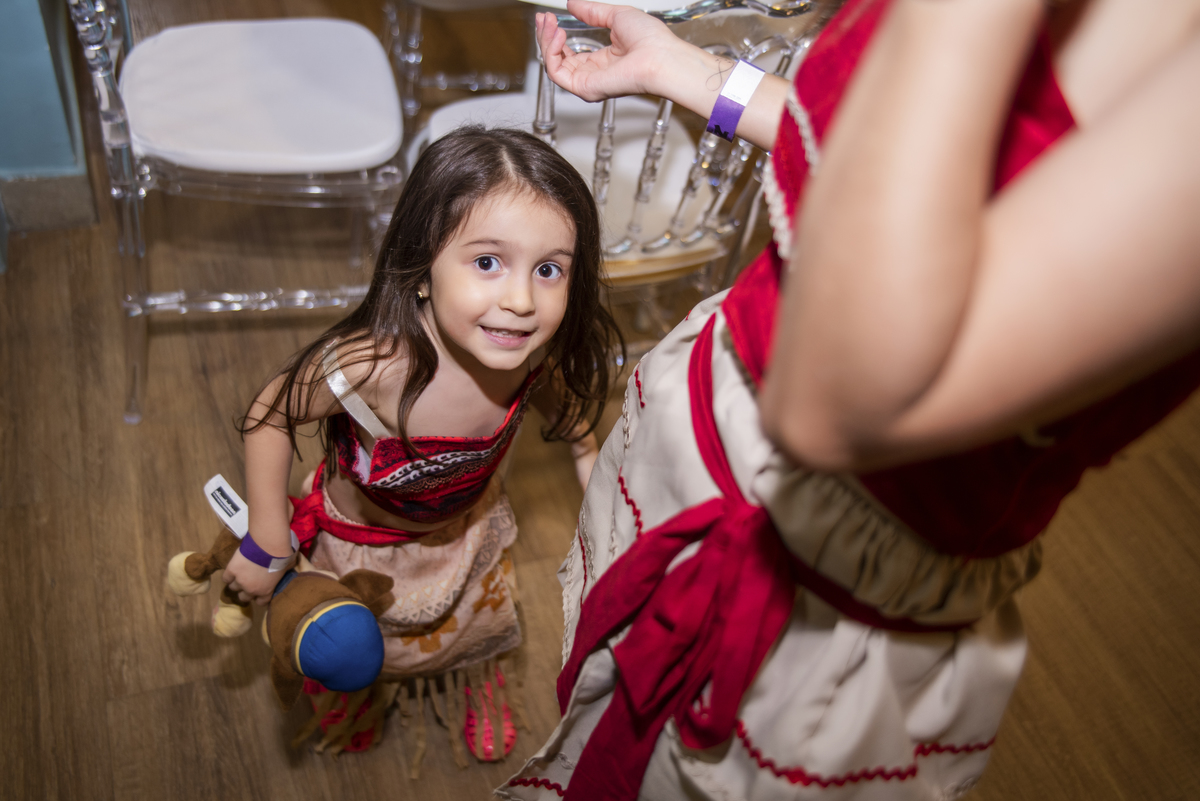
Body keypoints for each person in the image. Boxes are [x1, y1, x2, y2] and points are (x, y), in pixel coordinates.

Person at [501, 0, 1200, 799]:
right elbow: (878, 162)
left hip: (821, 592)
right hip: (702, 436)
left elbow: (827, 404)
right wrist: (681, 70)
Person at [221, 126, 623, 763]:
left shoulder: (526, 355)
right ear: (422, 269)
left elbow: (558, 401)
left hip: (465, 533)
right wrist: (267, 536)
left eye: (548, 270)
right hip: (361, 546)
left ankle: (475, 675)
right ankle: (358, 691)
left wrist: (587, 456)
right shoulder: (372, 366)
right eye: (487, 262)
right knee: (362, 641)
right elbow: (270, 413)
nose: (521, 301)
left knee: (473, 626)